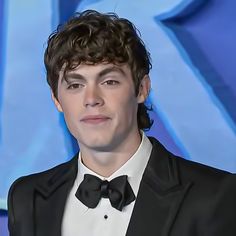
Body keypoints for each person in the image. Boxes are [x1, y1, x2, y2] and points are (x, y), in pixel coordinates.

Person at [7, 10, 236, 236]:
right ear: (56, 99)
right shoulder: (27, 198)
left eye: (109, 81)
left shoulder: (216, 196)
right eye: (75, 85)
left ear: (142, 88)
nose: (92, 99)